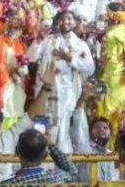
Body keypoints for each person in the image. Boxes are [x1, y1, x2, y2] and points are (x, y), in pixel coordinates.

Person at [28, 10, 95, 152]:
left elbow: (90, 68)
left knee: (63, 131)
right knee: (41, 124)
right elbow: (30, 58)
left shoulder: (80, 45)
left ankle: (62, 163)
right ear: (57, 21)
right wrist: (38, 40)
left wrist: (71, 59)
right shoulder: (48, 40)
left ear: (75, 22)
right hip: (45, 92)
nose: (66, 22)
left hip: (67, 94)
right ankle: (38, 154)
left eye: (69, 19)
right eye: (62, 19)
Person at [0, 128, 78, 184]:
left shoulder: (7, 184)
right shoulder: (58, 178)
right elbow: (72, 171)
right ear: (45, 155)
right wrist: (52, 146)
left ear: (17, 151)